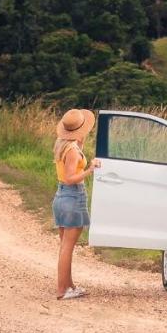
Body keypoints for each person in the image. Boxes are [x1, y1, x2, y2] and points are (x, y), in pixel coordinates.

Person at [53, 108, 99, 300]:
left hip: (61, 196)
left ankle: (68, 285)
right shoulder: (72, 151)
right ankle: (62, 290)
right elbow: (71, 177)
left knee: (65, 245)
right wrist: (90, 170)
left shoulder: (63, 145)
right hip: (72, 196)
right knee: (67, 247)